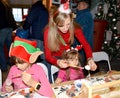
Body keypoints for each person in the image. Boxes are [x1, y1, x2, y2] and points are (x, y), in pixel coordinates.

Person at [44, 1, 97, 82]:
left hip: (66, 55)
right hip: (53, 58)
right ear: (55, 23)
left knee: (73, 77)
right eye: (61, 25)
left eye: (68, 24)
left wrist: (90, 59)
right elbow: (48, 56)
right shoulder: (48, 31)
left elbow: (86, 45)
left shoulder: (75, 28)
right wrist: (57, 62)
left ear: (71, 21)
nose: (65, 28)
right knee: (55, 81)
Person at [74, 0, 94, 66]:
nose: (77, 7)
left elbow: (76, 28)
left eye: (79, 5)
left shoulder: (84, 15)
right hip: (83, 44)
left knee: (79, 67)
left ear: (85, 5)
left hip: (81, 45)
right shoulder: (85, 14)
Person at [0, 0, 17, 71]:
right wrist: (14, 27)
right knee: (10, 48)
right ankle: (13, 65)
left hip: (2, 28)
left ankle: (4, 67)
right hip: (9, 28)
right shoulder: (6, 4)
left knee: (0, 49)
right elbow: (11, 16)